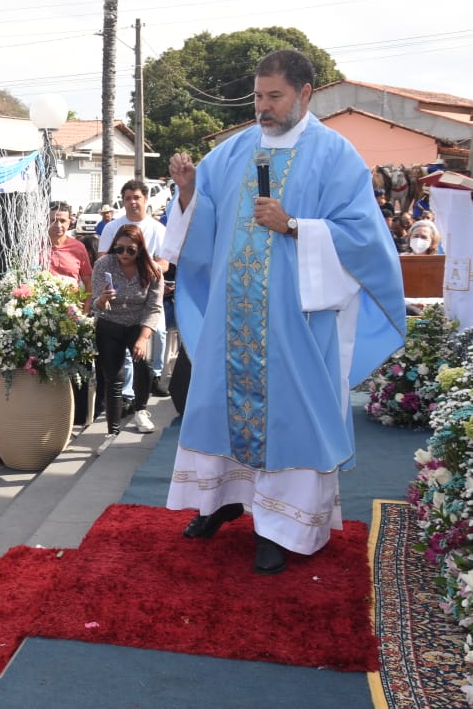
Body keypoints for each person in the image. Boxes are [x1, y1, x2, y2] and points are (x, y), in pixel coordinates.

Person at [161, 50, 405, 575]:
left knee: (294, 418)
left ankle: (280, 525)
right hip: (233, 321)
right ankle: (222, 500)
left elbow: (366, 241)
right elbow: (199, 230)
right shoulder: (231, 153)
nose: (263, 107)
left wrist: (295, 226)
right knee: (216, 409)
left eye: (274, 97)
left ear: (305, 94)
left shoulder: (336, 155)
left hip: (297, 322)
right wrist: (186, 194)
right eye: (257, 96)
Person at [91, 225, 163, 436]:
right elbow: (96, 302)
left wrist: (142, 338)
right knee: (114, 377)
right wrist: (102, 299)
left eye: (130, 250)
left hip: (136, 323)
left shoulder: (152, 270)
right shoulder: (104, 264)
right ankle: (112, 431)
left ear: (140, 249)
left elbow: (154, 308)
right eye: (119, 248)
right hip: (109, 323)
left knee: (144, 367)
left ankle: (140, 409)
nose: (123, 254)